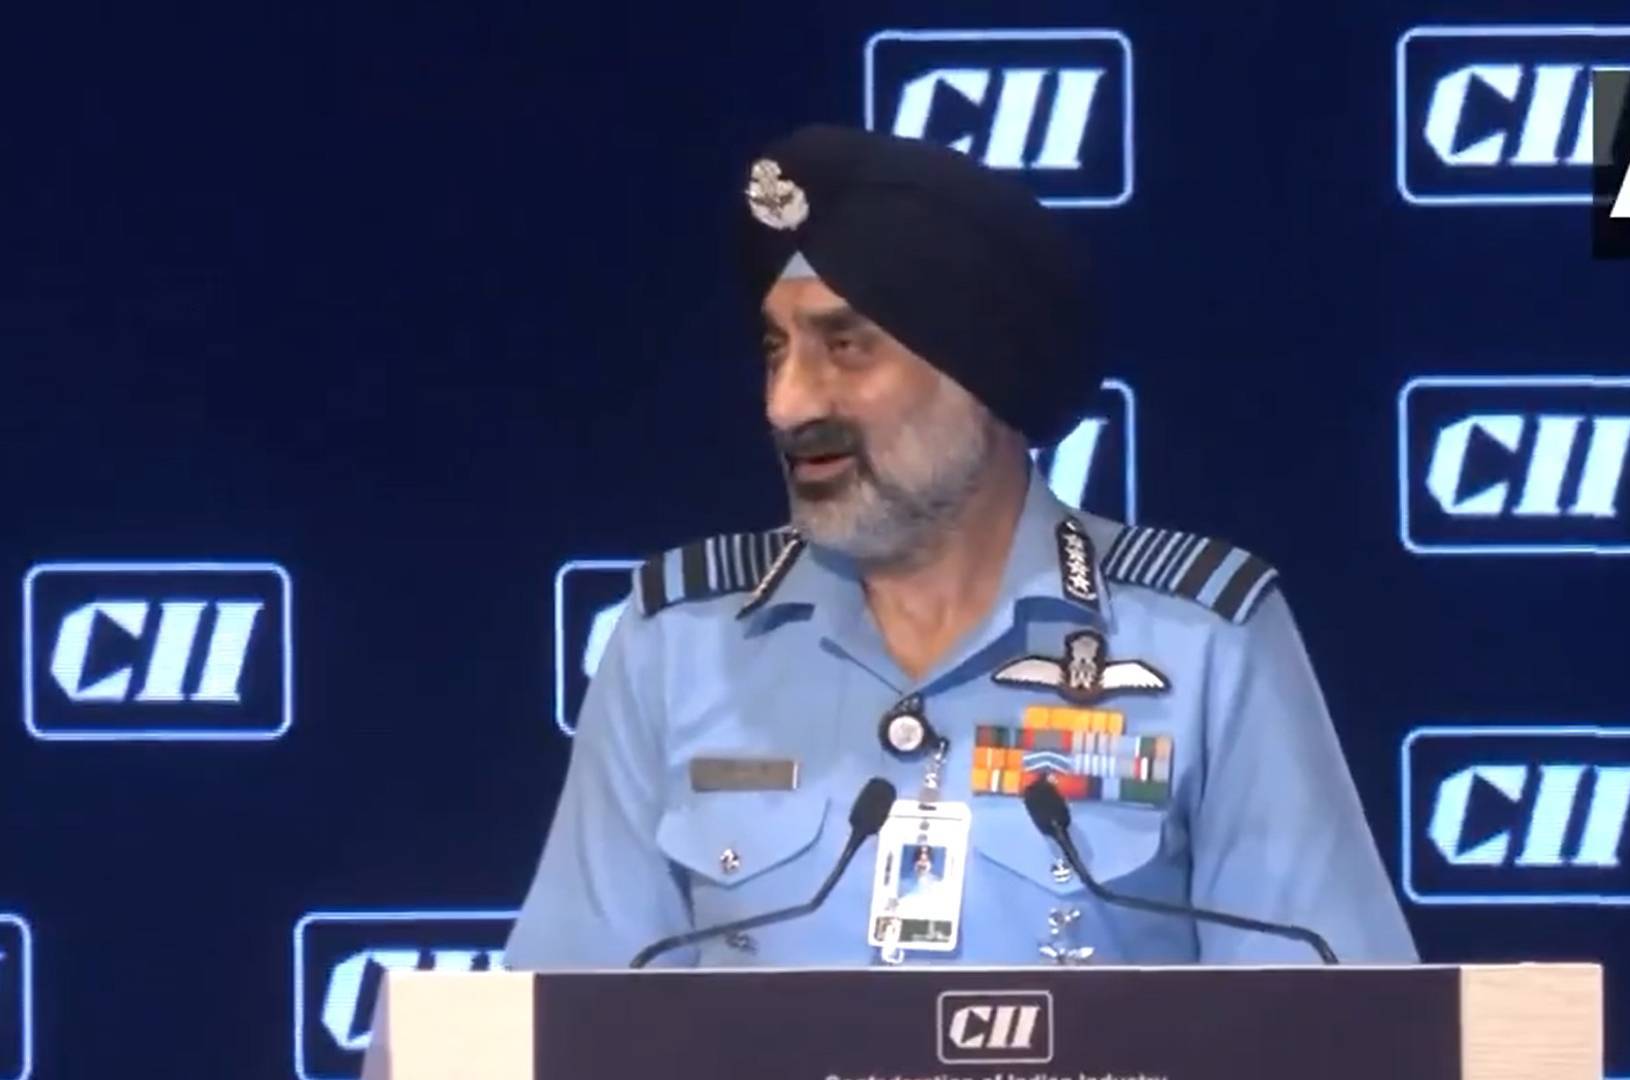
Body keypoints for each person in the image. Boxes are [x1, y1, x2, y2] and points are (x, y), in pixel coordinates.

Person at [504, 124, 1416, 969]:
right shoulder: (677, 644)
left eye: (845, 346)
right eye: (775, 348)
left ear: (984, 373)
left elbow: (1332, 1026)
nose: (787, 403)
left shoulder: (1202, 641)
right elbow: (562, 1027)